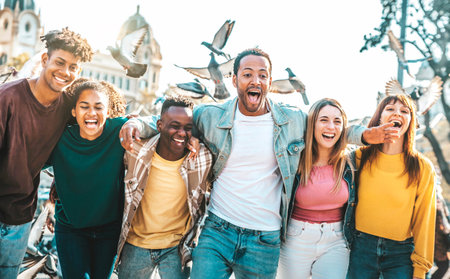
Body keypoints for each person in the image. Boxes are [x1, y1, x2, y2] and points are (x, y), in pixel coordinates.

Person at [119, 48, 397, 279]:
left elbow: (329, 127)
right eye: (248, 74)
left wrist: (363, 135)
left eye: (262, 75)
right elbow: (168, 123)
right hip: (218, 230)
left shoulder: (292, 120)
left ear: (270, 81)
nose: (255, 81)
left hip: (265, 239)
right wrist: (136, 124)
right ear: (234, 79)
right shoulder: (211, 116)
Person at [0, 28, 93, 278]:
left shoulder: (68, 110)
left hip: (20, 219)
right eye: (59, 62)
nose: (65, 72)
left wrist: (134, 123)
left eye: (73, 67)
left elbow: (96, 126)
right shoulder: (7, 98)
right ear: (44, 60)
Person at [115, 96, 213, 279]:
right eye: (175, 126)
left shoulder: (202, 158)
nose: (182, 133)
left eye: (187, 128)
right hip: (136, 244)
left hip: (176, 248)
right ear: (159, 125)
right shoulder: (135, 151)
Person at [347, 95, 436, 279]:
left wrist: (420, 270)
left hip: (401, 254)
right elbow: (334, 138)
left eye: (404, 111)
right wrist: (365, 135)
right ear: (379, 117)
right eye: (390, 109)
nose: (397, 113)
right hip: (360, 249)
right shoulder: (358, 157)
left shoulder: (422, 167)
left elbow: (424, 221)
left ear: (410, 122)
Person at [46, 79, 127, 278]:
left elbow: (153, 125)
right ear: (74, 111)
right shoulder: (59, 137)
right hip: (71, 228)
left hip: (109, 229)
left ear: (108, 112)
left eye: (99, 107)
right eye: (84, 107)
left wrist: (136, 122)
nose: (91, 113)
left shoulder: (120, 131)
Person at [278, 98, 356, 278]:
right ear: (312, 124)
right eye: (324, 120)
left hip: (336, 240)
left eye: (337, 121)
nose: (331, 127)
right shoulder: (294, 159)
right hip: (296, 238)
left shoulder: (350, 163)